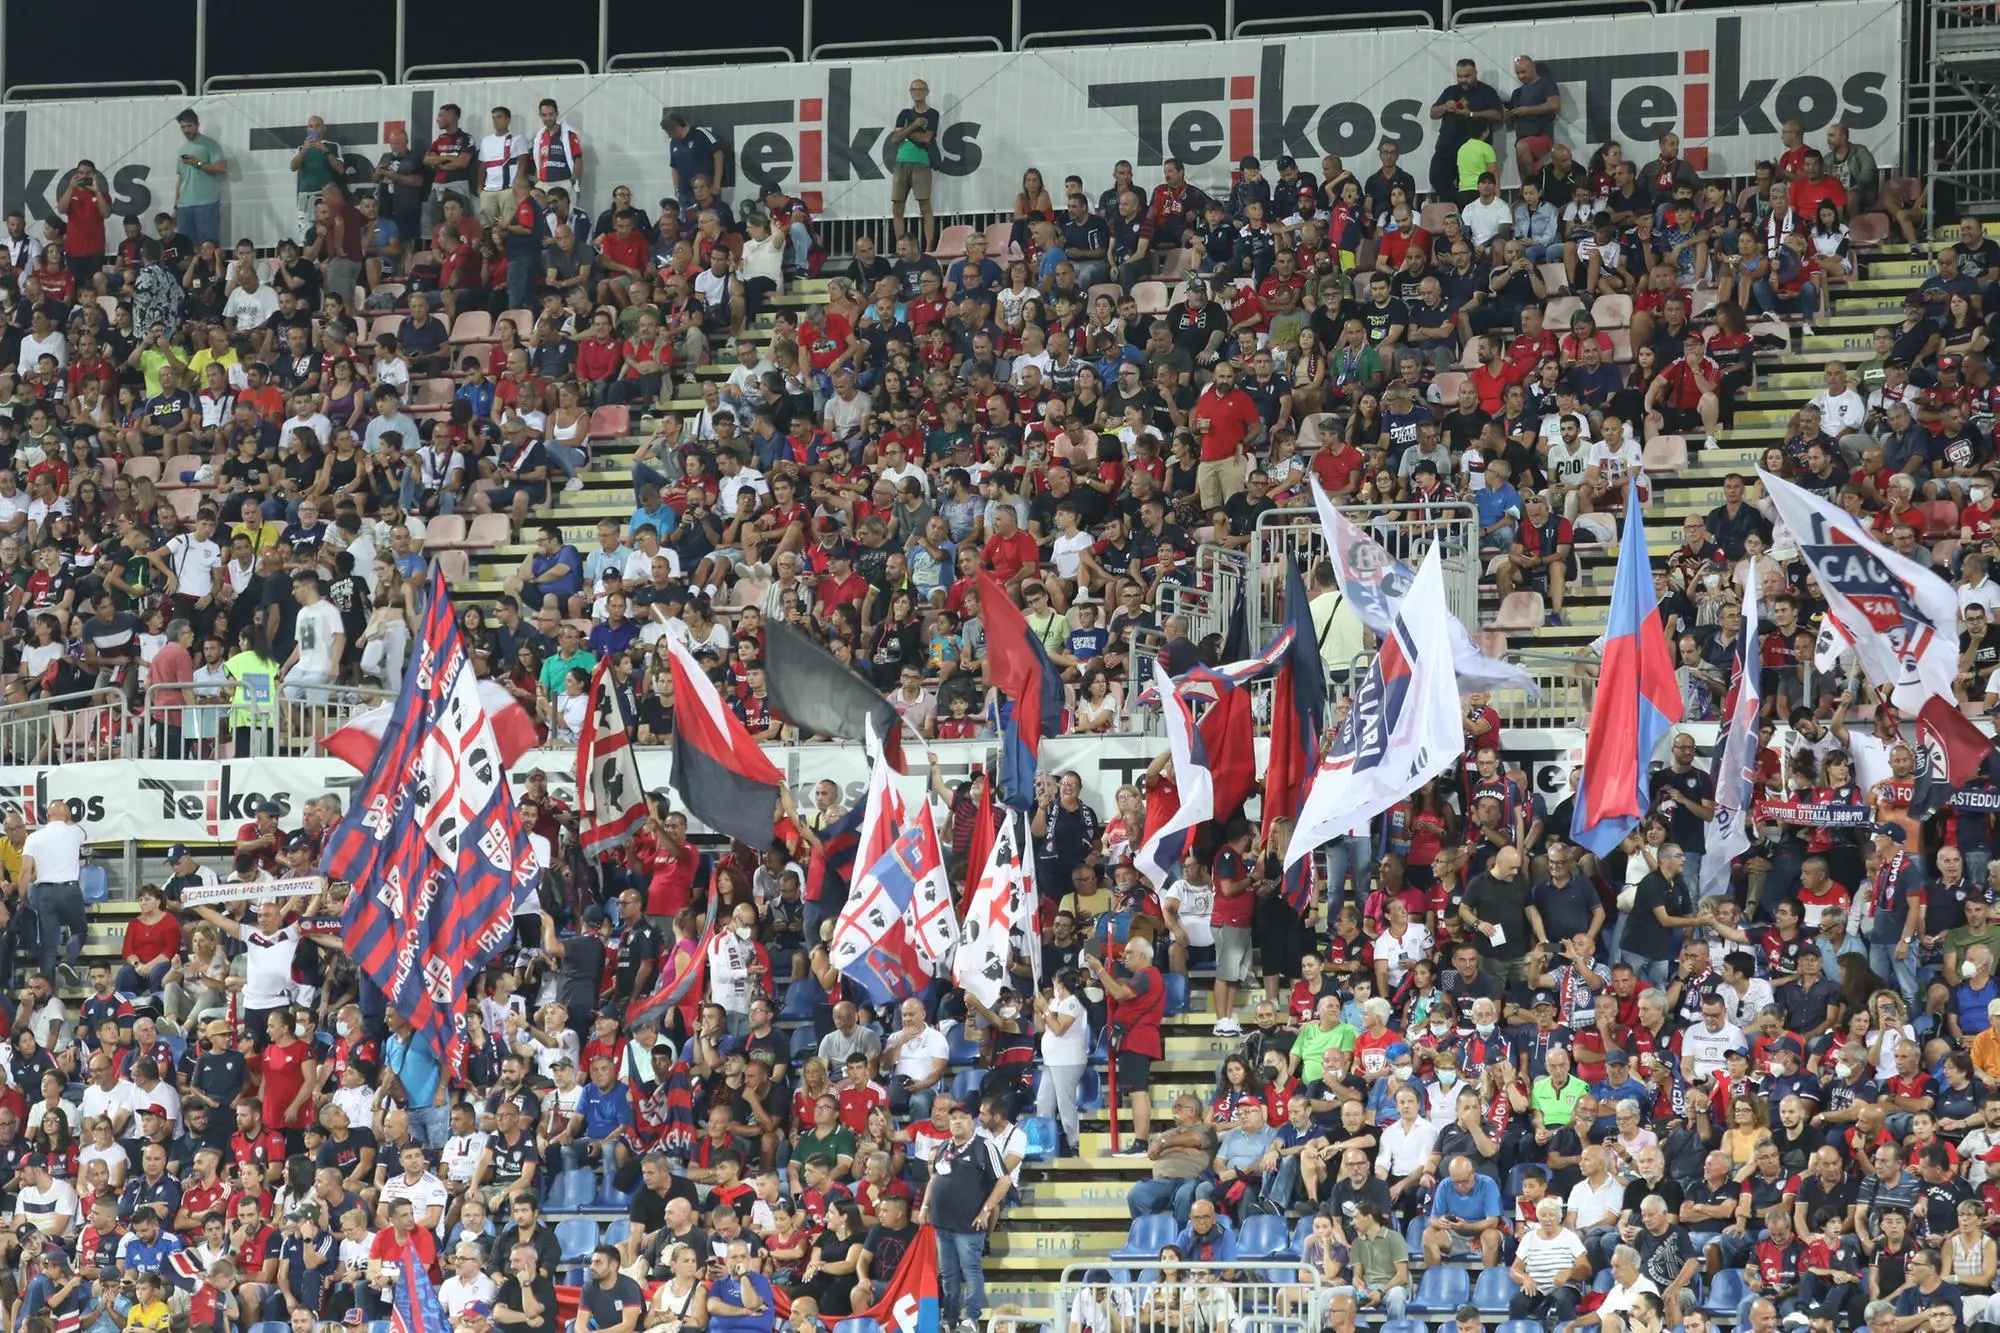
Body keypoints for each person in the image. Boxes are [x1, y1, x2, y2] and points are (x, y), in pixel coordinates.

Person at [917, 1103, 1010, 1333]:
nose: (956, 1121)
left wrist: (986, 1210)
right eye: (953, 1118)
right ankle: (949, 1318)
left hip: (968, 1224)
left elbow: (1004, 1180)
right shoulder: (943, 1147)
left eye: (962, 1117)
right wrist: (925, 1206)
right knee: (948, 1273)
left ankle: (971, 1318)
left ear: (973, 1121)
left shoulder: (984, 1146)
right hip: (942, 1222)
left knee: (970, 1270)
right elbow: (935, 1178)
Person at [20, 797, 89, 988]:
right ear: (67, 814)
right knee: (80, 930)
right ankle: (68, 960)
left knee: (49, 946)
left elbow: (26, 871)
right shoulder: (75, 831)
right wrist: (71, 821)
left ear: (48, 816)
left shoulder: (34, 837)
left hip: (44, 893)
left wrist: (22, 896)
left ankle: (46, 992)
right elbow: (84, 835)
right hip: (69, 890)